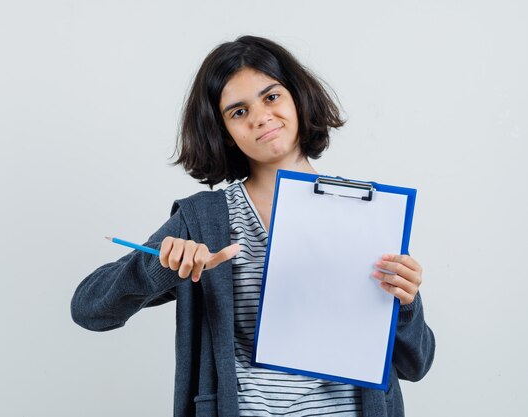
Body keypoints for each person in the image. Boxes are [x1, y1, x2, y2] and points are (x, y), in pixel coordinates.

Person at [71, 35, 435, 417]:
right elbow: (89, 309)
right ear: (223, 131)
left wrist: (406, 303)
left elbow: (417, 364)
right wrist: (159, 266)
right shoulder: (206, 221)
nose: (261, 116)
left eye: (271, 97)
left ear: (297, 97)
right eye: (238, 111)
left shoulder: (367, 212)